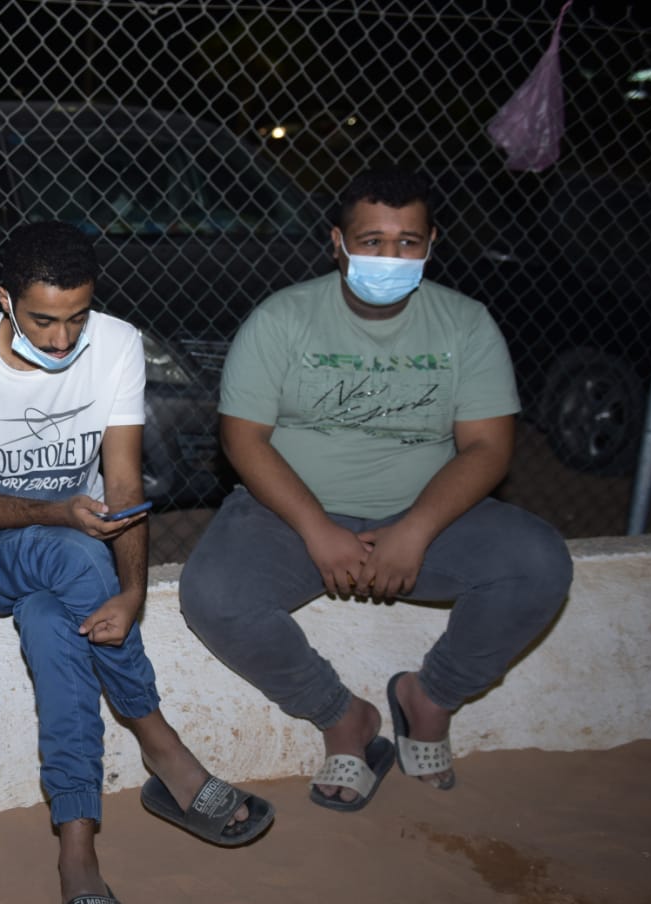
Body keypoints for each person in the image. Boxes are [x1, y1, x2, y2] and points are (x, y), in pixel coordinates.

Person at [0, 220, 274, 904]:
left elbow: (122, 483)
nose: (61, 339)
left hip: (72, 552)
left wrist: (134, 591)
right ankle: (163, 746)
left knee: (54, 624)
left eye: (76, 317)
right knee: (77, 552)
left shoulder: (114, 344)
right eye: (43, 319)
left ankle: (77, 849)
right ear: (4, 299)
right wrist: (58, 514)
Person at [179, 164, 573, 812]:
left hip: (426, 516)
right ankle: (344, 718)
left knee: (539, 563)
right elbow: (243, 439)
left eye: (407, 242)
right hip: (292, 514)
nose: (389, 258)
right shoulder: (282, 318)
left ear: (431, 243)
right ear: (338, 243)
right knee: (214, 594)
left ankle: (431, 698)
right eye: (371, 241)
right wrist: (317, 529)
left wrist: (415, 530)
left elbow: (488, 448)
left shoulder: (465, 324)